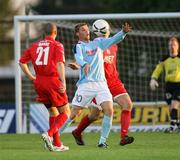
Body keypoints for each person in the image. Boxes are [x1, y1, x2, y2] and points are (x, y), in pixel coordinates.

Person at [60, 21, 132, 148]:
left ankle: (116, 138)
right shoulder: (92, 45)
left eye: (87, 29)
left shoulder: (109, 45)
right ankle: (64, 134)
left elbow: (115, 40)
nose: (87, 31)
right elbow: (84, 58)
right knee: (90, 115)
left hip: (108, 83)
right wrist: (80, 65)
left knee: (121, 106)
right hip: (89, 84)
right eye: (83, 30)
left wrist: (123, 33)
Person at [19, 23, 70, 152]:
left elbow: (21, 62)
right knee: (66, 113)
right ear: (55, 32)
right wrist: (63, 81)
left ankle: (57, 144)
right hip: (52, 81)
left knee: (53, 112)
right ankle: (49, 134)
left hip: (39, 82)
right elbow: (59, 63)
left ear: (43, 33)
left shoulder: (34, 46)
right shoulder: (57, 45)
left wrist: (31, 77)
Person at [150, 36, 180, 133]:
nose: (172, 46)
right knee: (170, 107)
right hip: (168, 85)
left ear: (177, 46)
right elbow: (157, 70)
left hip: (178, 85)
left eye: (174, 44)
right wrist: (153, 79)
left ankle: (171, 127)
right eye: (170, 45)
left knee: (174, 105)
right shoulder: (164, 59)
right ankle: (177, 124)